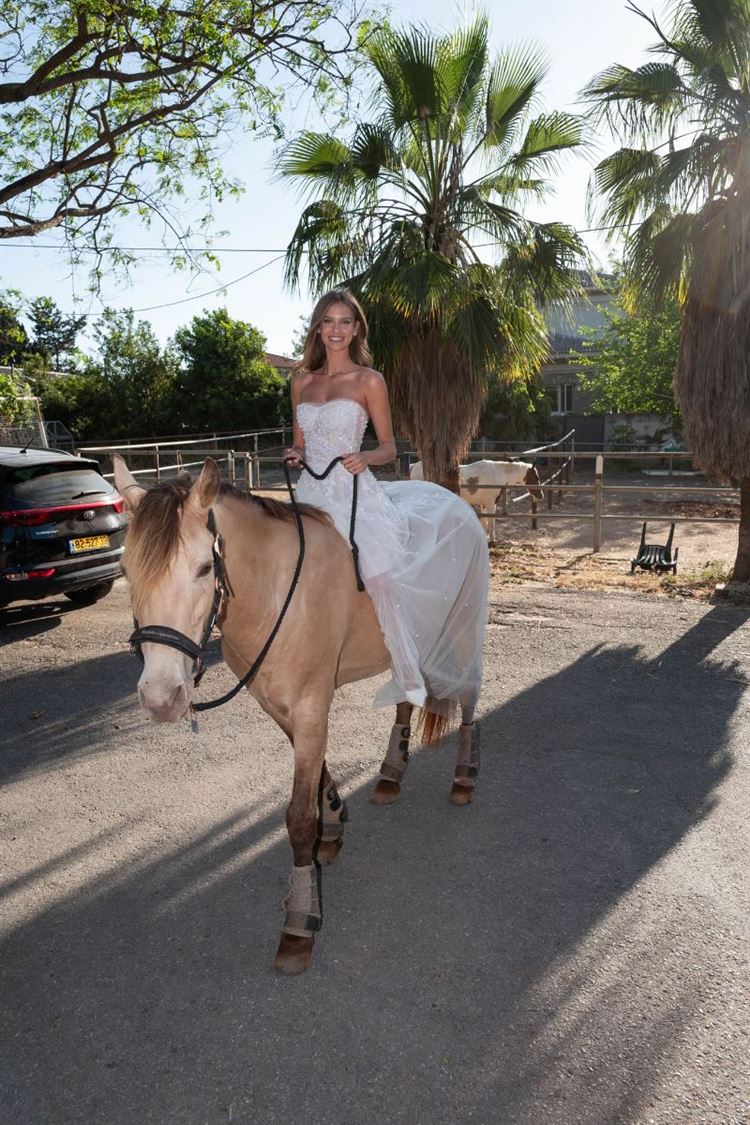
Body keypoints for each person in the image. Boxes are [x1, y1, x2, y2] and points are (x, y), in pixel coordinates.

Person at [283, 288, 489, 717]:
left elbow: (390, 448)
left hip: (351, 490)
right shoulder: (301, 382)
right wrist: (295, 454)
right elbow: (301, 444)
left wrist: (365, 458)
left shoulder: (368, 380)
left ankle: (408, 671)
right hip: (309, 492)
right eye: (328, 321)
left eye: (345, 322)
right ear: (317, 327)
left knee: (381, 577)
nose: (336, 330)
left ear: (356, 328)